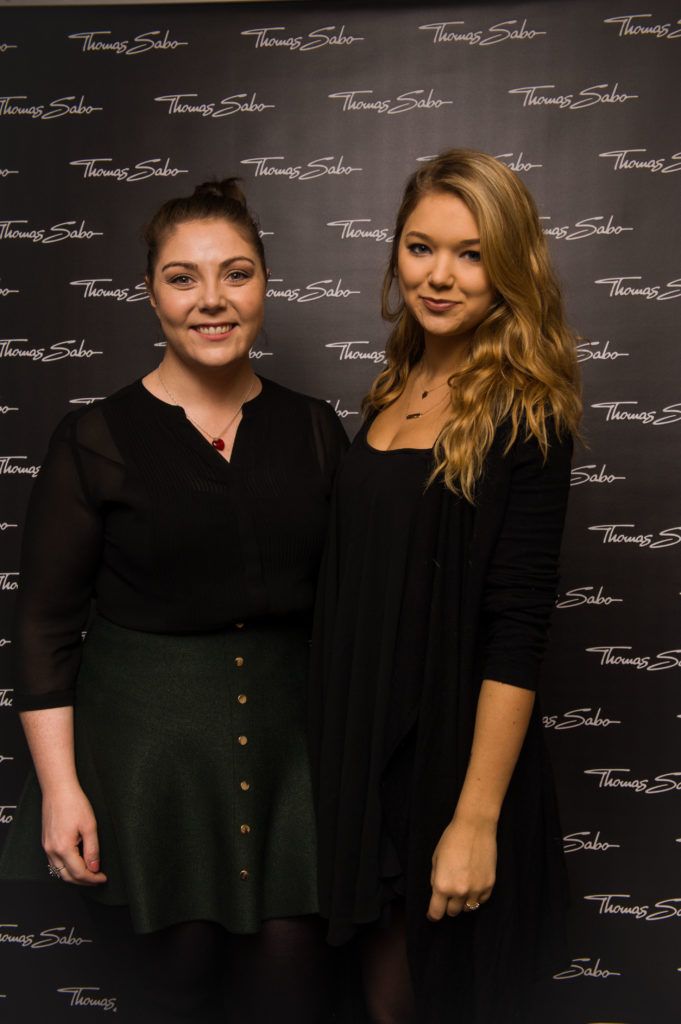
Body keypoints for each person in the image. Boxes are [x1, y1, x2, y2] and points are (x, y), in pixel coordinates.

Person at [0, 179, 348, 1023]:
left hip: (290, 757)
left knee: (292, 983)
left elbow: (353, 605)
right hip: (148, 759)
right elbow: (45, 627)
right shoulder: (94, 439)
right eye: (183, 277)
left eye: (236, 273)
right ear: (150, 291)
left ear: (266, 284)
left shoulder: (314, 429)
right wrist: (61, 789)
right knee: (179, 980)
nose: (212, 301)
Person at [309, 149, 581, 1024]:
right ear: (395, 252)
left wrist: (474, 820)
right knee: (376, 999)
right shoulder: (393, 388)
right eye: (421, 247)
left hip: (448, 766)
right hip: (366, 758)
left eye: (469, 254)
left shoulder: (525, 409)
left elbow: (516, 628)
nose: (440, 276)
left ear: (507, 266)